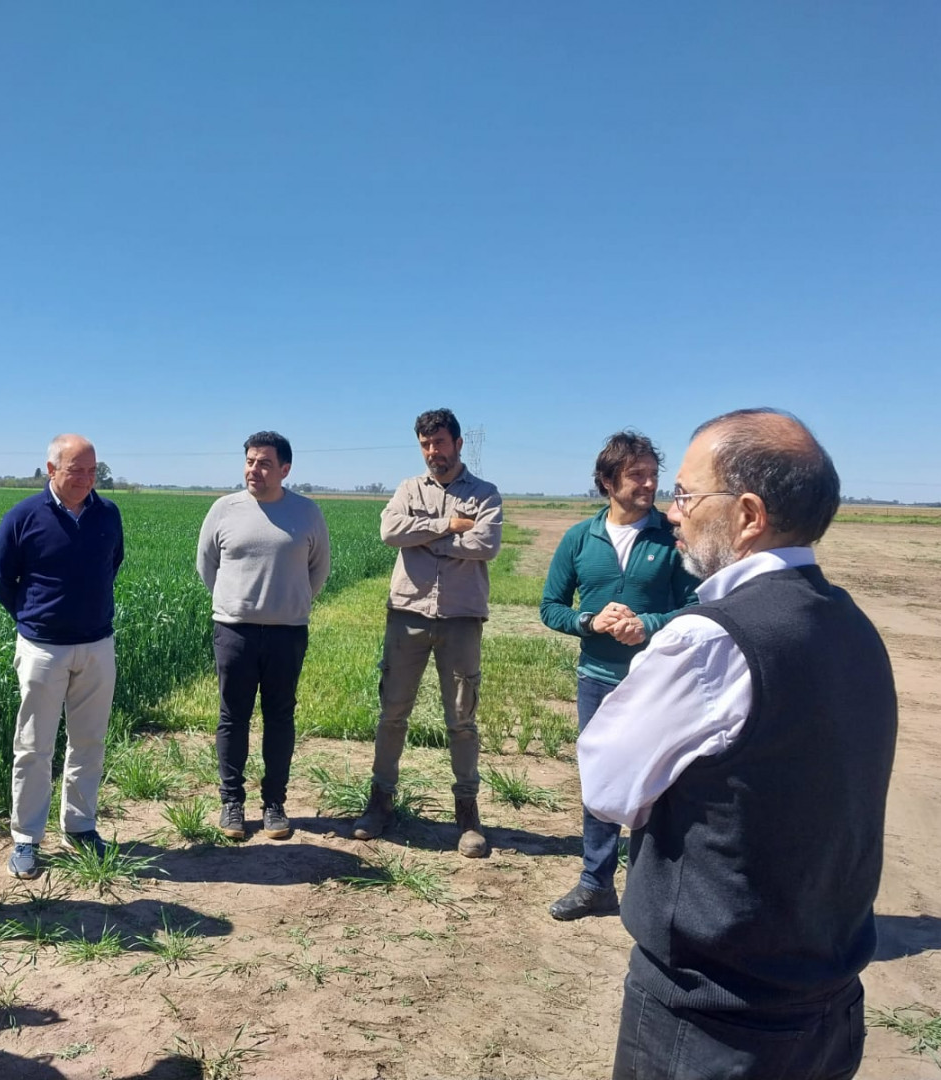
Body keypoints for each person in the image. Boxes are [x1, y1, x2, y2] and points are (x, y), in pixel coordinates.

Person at [578, 409, 897, 1080]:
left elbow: (607, 785)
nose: (673, 511)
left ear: (748, 515)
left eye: (688, 494)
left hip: (714, 1018)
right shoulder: (852, 624)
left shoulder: (709, 640)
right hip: (827, 1001)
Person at [540, 431, 699, 921]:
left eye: (654, 475)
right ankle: (595, 883)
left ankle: (653, 891)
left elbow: (697, 605)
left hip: (659, 679)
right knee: (602, 781)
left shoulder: (674, 539)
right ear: (607, 481)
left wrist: (647, 626)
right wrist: (589, 622)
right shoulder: (579, 539)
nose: (650, 484)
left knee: (661, 786)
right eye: (637, 475)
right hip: (597, 678)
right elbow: (549, 608)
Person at [351, 408, 503, 857]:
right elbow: (389, 531)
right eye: (425, 444)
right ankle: (380, 801)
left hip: (461, 618)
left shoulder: (485, 494)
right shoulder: (407, 489)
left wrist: (423, 539)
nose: (432, 452)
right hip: (408, 614)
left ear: (457, 443)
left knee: (462, 718)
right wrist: (446, 527)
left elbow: (486, 545)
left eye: (439, 442)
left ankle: (467, 814)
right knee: (392, 713)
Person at [0, 434, 125, 880]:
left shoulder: (107, 514)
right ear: (51, 470)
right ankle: (26, 838)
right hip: (42, 649)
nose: (87, 479)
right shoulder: (23, 516)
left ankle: (80, 826)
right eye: (76, 470)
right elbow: (1, 578)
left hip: (97, 645)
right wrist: (35, 619)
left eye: (92, 471)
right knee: (33, 745)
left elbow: (112, 565)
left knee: (89, 741)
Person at [196, 431, 332, 841]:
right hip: (234, 630)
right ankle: (231, 804)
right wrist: (238, 604)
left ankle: (275, 804)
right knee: (232, 718)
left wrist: (288, 604)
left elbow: (318, 571)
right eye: (251, 461)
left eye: (265, 463)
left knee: (279, 717)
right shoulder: (224, 510)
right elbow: (207, 566)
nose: (255, 469)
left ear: (285, 469)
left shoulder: (307, 513)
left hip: (286, 634)